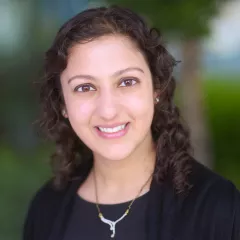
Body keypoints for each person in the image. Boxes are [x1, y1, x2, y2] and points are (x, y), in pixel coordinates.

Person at [23, 5, 240, 240]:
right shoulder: (46, 209)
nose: (108, 110)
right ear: (63, 103)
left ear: (157, 88)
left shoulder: (219, 208)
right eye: (84, 87)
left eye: (127, 82)